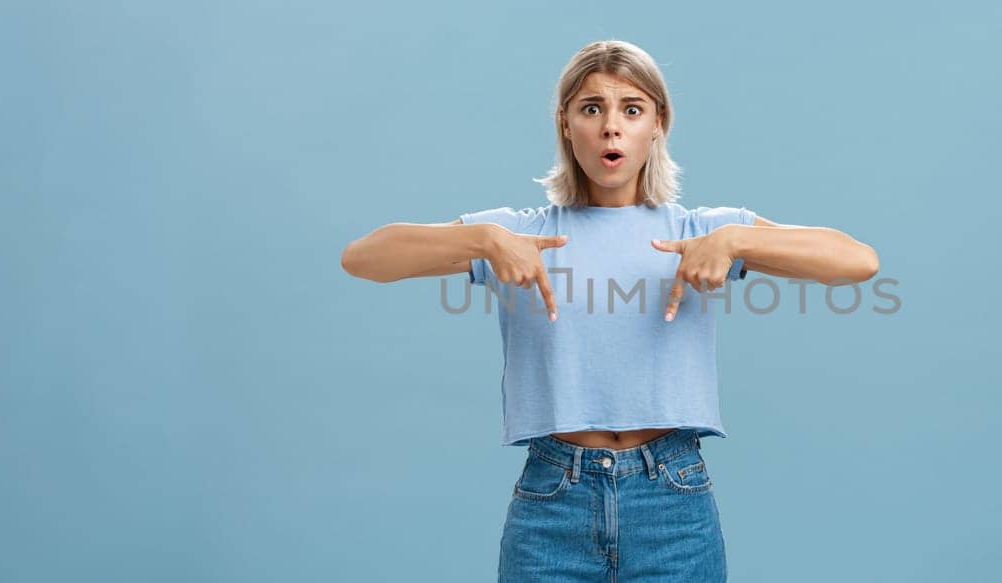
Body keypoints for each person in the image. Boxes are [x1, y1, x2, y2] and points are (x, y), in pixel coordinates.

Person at [341, 39, 877, 583]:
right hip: (552, 501)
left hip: (673, 501)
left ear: (657, 125)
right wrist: (483, 240)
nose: (611, 127)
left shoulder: (698, 231)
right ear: (566, 123)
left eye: (632, 109)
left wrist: (738, 241)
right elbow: (364, 258)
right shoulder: (520, 234)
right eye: (591, 108)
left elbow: (857, 261)